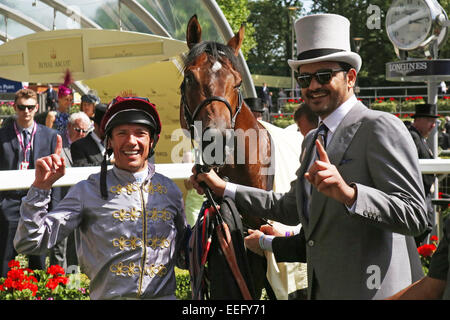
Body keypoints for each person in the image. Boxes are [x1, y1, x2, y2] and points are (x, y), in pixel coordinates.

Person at [190, 13, 428, 300]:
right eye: (304, 77)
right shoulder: (313, 140)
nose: (313, 85)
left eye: (324, 76)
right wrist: (224, 187)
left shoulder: (379, 126)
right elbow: (290, 207)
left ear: (350, 77)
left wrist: (350, 194)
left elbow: (416, 216)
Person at [14, 96, 190, 300]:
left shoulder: (170, 190)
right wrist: (41, 188)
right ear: (109, 141)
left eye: (140, 133)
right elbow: (29, 242)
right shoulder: (87, 191)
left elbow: (184, 258)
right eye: (122, 133)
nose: (131, 141)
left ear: (152, 141)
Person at [0, 88, 59, 277]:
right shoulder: (3, 134)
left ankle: (40, 294)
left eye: (30, 107)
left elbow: (56, 172)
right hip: (9, 201)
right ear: (15, 107)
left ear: (36, 108)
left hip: (38, 201)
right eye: (22, 107)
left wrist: (54, 206)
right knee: (5, 257)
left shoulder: (49, 135)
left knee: (38, 258)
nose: (26, 111)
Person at [48, 111, 91, 269]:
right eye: (77, 129)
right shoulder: (57, 143)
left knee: (75, 248)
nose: (81, 134)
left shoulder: (88, 148)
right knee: (58, 247)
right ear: (69, 127)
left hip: (80, 205)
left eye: (84, 131)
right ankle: (56, 285)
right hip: (59, 202)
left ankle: (73, 287)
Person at [408, 104, 439, 245]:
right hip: (418, 194)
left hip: (422, 193)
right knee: (423, 227)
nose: (433, 125)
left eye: (433, 121)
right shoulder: (413, 138)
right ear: (418, 119)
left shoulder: (418, 138)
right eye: (429, 121)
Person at [45, 70, 73, 134]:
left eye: (70, 100)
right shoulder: (52, 115)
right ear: (59, 98)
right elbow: (47, 136)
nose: (69, 102)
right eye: (66, 99)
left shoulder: (70, 116)